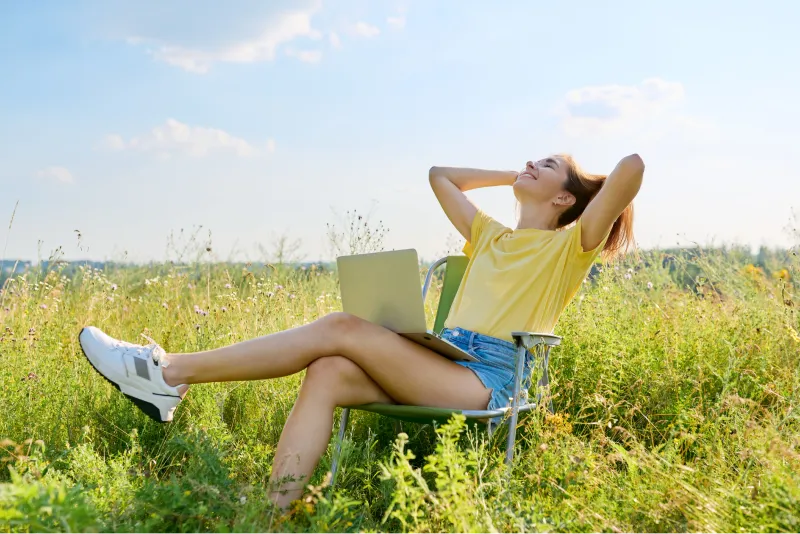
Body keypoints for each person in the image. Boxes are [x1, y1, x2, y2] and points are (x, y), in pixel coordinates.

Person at [78, 153, 644, 509]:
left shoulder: (571, 247)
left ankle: (168, 371)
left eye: (545, 166)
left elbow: (632, 167)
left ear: (565, 198)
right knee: (328, 370)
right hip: (443, 360)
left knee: (342, 327)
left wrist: (583, 180)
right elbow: (439, 175)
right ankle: (274, 515)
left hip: (488, 379)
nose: (531, 163)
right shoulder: (490, 234)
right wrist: (516, 174)